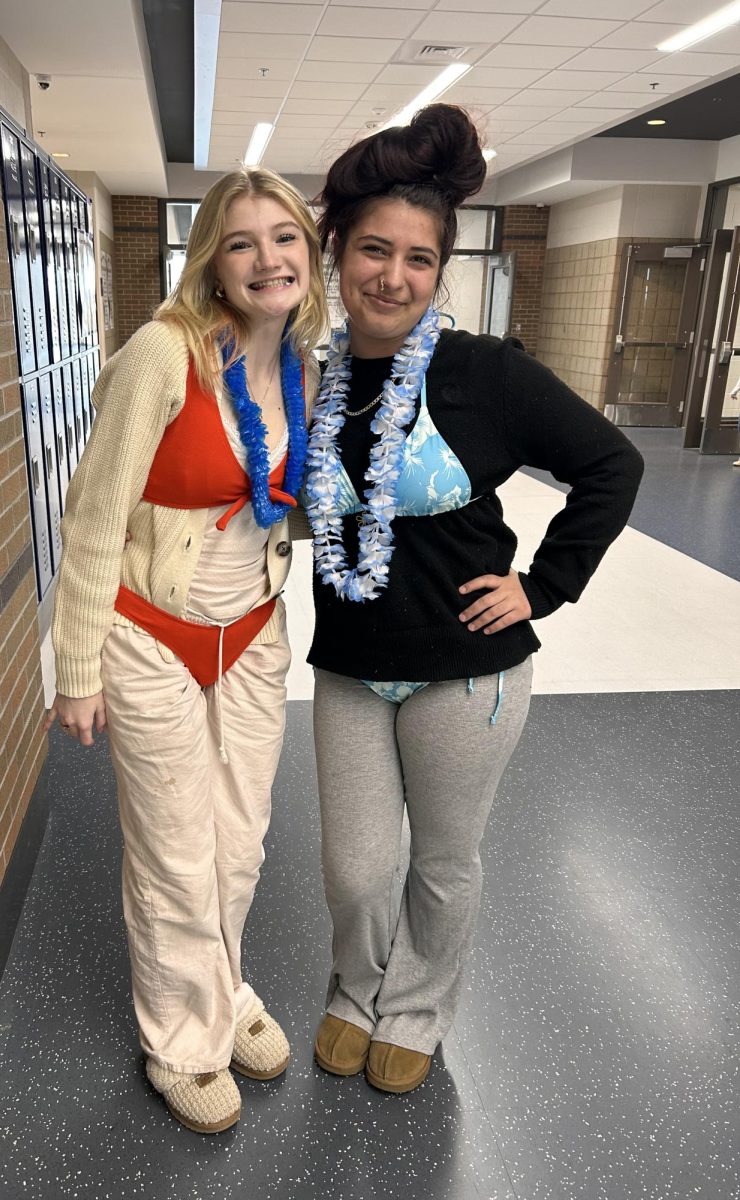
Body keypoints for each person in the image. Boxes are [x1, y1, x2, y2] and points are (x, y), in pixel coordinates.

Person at [304, 103, 644, 1095]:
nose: (395, 276)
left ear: (439, 268)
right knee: (357, 871)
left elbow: (610, 464)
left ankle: (415, 1007)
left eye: (419, 258)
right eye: (374, 249)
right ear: (339, 250)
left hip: (469, 667)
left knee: (443, 864)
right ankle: (355, 990)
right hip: (353, 663)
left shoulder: (482, 373)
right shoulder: (317, 376)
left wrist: (544, 584)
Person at [44, 167, 327, 1133]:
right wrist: (76, 666)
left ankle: (225, 989)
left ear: (307, 252)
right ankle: (180, 1039)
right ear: (211, 256)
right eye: (242, 242)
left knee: (238, 844)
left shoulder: (301, 362)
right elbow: (92, 519)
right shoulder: (161, 357)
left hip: (252, 634)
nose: (266, 259)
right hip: (150, 629)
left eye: (283, 238)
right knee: (172, 851)